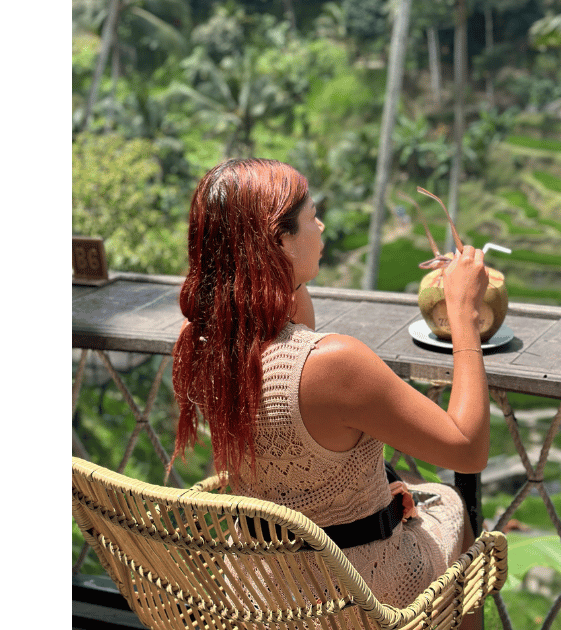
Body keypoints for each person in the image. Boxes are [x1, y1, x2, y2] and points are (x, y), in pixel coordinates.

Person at [170, 158, 491, 619]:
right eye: (311, 216)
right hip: (349, 597)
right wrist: (463, 313)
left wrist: (284, 280)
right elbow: (468, 448)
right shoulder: (332, 364)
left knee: (408, 485)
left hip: (259, 589)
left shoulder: (208, 347)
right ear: (280, 239)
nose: (321, 226)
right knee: (450, 501)